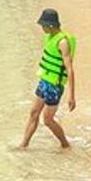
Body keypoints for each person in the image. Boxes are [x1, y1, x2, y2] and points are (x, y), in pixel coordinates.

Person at [19, 8, 76, 149]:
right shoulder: (50, 37)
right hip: (45, 81)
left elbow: (69, 69)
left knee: (48, 120)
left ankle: (65, 144)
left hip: (54, 86)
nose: (42, 28)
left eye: (43, 25)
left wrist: (72, 96)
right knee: (33, 113)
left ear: (51, 25)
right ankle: (23, 145)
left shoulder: (63, 42)